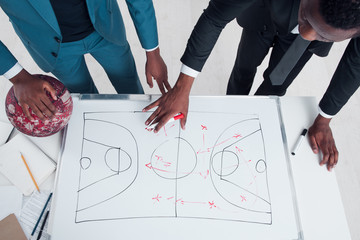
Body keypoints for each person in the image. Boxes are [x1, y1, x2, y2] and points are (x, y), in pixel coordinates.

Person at [143, 0, 360, 171]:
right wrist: (182, 87)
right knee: (243, 70)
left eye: (323, 36)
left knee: (275, 86)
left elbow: (355, 65)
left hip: (297, 48)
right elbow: (215, 17)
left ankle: (251, 124)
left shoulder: (311, 34)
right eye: (306, 19)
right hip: (262, 15)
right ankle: (232, 109)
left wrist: (323, 119)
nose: (307, 33)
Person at [0, 0, 169, 120]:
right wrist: (18, 77)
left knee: (129, 83)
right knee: (85, 98)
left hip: (106, 29)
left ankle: (139, 121)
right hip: (54, 49)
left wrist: (152, 51)